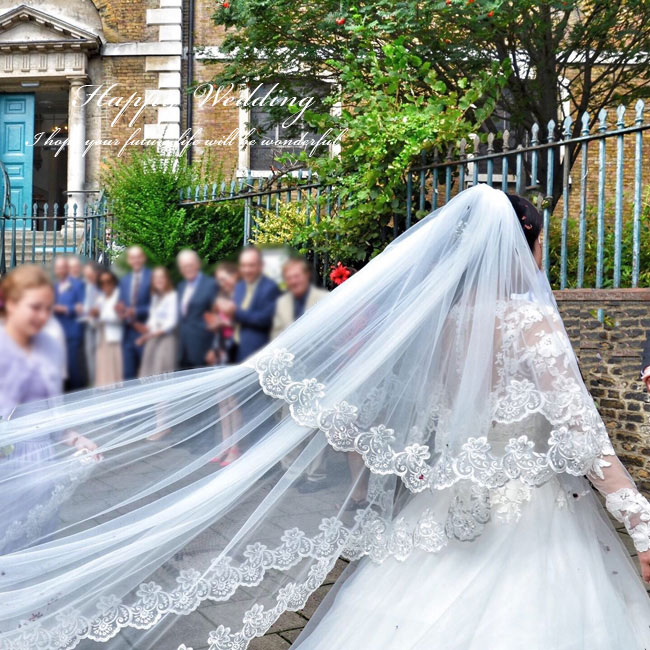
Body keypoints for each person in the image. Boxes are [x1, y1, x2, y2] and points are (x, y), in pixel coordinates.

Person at [1, 185, 649, 650]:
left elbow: (429, 417)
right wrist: (641, 527)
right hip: (532, 522)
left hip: (450, 503)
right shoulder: (531, 320)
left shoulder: (448, 324)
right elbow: (585, 437)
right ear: (523, 243)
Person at [0, 265, 98, 554]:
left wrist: (78, 440)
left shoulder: (50, 350)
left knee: (38, 537)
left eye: (47, 308)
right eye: (35, 307)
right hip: (8, 465)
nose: (43, 316)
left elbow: (53, 419)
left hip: (42, 463)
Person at [274, 257, 330, 492]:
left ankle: (316, 475)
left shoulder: (325, 300)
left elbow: (330, 337)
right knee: (287, 421)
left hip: (316, 370)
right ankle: (290, 471)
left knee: (314, 423)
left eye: (297, 275)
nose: (293, 280)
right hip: (288, 372)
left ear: (307, 276)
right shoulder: (282, 303)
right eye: (289, 276)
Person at [217, 245, 281, 362]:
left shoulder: (270, 288)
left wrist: (234, 312)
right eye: (244, 265)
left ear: (261, 266)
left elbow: (265, 320)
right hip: (234, 350)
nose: (246, 270)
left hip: (257, 353)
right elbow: (238, 320)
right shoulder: (239, 287)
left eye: (251, 265)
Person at [176, 249, 219, 370]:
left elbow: (218, 317)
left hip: (202, 351)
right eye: (184, 266)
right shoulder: (181, 286)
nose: (187, 269)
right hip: (181, 350)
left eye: (190, 265)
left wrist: (213, 349)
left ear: (198, 264)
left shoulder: (211, 285)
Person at [116, 246, 152, 380]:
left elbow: (157, 306)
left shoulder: (152, 277)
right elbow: (121, 302)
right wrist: (120, 311)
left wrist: (136, 311)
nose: (135, 261)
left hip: (145, 331)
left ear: (143, 258)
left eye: (138, 257)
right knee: (128, 376)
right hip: (127, 334)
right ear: (129, 261)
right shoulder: (125, 280)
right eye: (132, 258)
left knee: (148, 375)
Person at [136, 267, 179, 378]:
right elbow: (153, 319)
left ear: (167, 279)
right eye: (155, 278)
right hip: (153, 339)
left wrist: (150, 334)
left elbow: (171, 322)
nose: (158, 280)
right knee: (149, 373)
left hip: (166, 340)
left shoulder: (172, 296)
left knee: (161, 372)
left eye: (161, 277)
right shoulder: (155, 297)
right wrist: (145, 328)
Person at [52, 255, 86, 389]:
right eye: (58, 268)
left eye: (62, 268)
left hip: (72, 332)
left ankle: (78, 401)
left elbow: (82, 307)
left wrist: (65, 309)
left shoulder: (78, 285)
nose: (60, 270)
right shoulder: (54, 287)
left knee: (73, 369)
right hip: (57, 333)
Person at [93, 269, 124, 387]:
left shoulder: (119, 296)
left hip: (114, 339)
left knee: (116, 373)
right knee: (103, 374)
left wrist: (100, 316)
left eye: (108, 281)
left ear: (114, 282)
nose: (106, 284)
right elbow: (94, 323)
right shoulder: (100, 299)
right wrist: (94, 317)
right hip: (101, 339)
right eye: (102, 282)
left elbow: (119, 318)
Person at [77, 261, 102, 386]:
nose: (88, 277)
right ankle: (93, 381)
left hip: (101, 326)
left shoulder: (103, 286)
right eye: (86, 274)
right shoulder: (84, 286)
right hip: (87, 325)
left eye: (90, 274)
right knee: (90, 354)